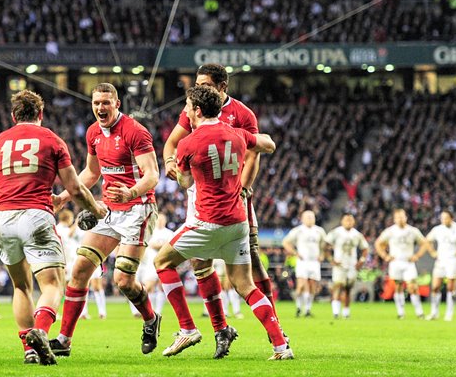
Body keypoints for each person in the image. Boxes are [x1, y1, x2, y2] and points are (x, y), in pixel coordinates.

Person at [0, 89, 106, 365]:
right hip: (36, 215)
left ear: (13, 115)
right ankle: (40, 331)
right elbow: (75, 188)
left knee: (21, 286)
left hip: (2, 218)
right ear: (40, 114)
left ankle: (28, 350)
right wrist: (94, 208)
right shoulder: (52, 140)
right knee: (52, 283)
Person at [154, 85, 293, 361]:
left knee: (162, 263)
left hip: (207, 221)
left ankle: (188, 327)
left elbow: (185, 182)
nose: (186, 113)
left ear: (197, 110)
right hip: (238, 221)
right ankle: (280, 346)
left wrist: (179, 170)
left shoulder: (188, 143)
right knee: (245, 285)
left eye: (187, 107)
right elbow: (267, 144)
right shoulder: (237, 134)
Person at [50, 83, 160, 357]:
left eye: (106, 103)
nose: (100, 108)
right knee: (79, 271)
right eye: (96, 103)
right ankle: (64, 340)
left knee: (123, 281)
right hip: (109, 211)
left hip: (138, 209)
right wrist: (63, 197)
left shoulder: (135, 131)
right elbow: (91, 172)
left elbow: (152, 174)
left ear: (117, 104)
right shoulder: (93, 133)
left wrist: (131, 192)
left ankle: (150, 319)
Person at [374, 208, 429, 320]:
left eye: (402, 216)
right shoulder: (390, 231)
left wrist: (417, 255)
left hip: (408, 263)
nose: (400, 219)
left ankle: (419, 312)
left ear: (406, 217)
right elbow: (378, 243)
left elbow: (424, 243)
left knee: (412, 286)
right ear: (394, 219)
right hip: (395, 263)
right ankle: (401, 312)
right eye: (398, 217)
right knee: (398, 287)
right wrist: (385, 256)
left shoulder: (413, 231)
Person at [425, 210, 456, 321]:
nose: (444, 220)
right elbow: (427, 240)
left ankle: (449, 313)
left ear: (451, 218)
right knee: (435, 287)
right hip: (440, 260)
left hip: (453, 260)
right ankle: (434, 312)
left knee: (450, 288)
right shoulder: (437, 229)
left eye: (446, 218)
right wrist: (432, 252)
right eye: (442, 218)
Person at [55, 209, 106, 320]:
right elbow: (69, 235)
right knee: (71, 287)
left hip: (83, 259)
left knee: (86, 286)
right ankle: (71, 312)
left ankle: (96, 312)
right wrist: (78, 220)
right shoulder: (64, 229)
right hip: (71, 261)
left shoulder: (65, 229)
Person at [283, 210, 327, 317]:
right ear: (302, 219)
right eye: (307, 217)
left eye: (312, 217)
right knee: (302, 285)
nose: (310, 219)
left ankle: (307, 309)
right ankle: (298, 307)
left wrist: (322, 255)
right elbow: (285, 242)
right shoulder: (298, 230)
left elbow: (324, 245)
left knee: (312, 284)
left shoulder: (319, 231)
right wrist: (295, 253)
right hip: (303, 261)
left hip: (314, 262)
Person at [325, 214, 369, 319]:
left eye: (350, 220)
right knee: (338, 287)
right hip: (339, 265)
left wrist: (361, 261)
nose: (348, 222)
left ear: (353, 222)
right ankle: (335, 312)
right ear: (342, 221)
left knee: (348, 289)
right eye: (346, 220)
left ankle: (346, 312)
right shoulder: (336, 232)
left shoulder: (357, 234)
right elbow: (326, 245)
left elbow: (365, 248)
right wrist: (331, 260)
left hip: (352, 265)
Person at [138, 212, 173, 315]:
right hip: (151, 263)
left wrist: (159, 245)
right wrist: (162, 245)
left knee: (162, 287)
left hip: (164, 262)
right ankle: (150, 310)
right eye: (159, 219)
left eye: (162, 220)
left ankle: (158, 311)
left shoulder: (169, 233)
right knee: (149, 286)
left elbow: (170, 246)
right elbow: (151, 244)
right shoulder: (151, 231)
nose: (160, 221)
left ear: (165, 221)